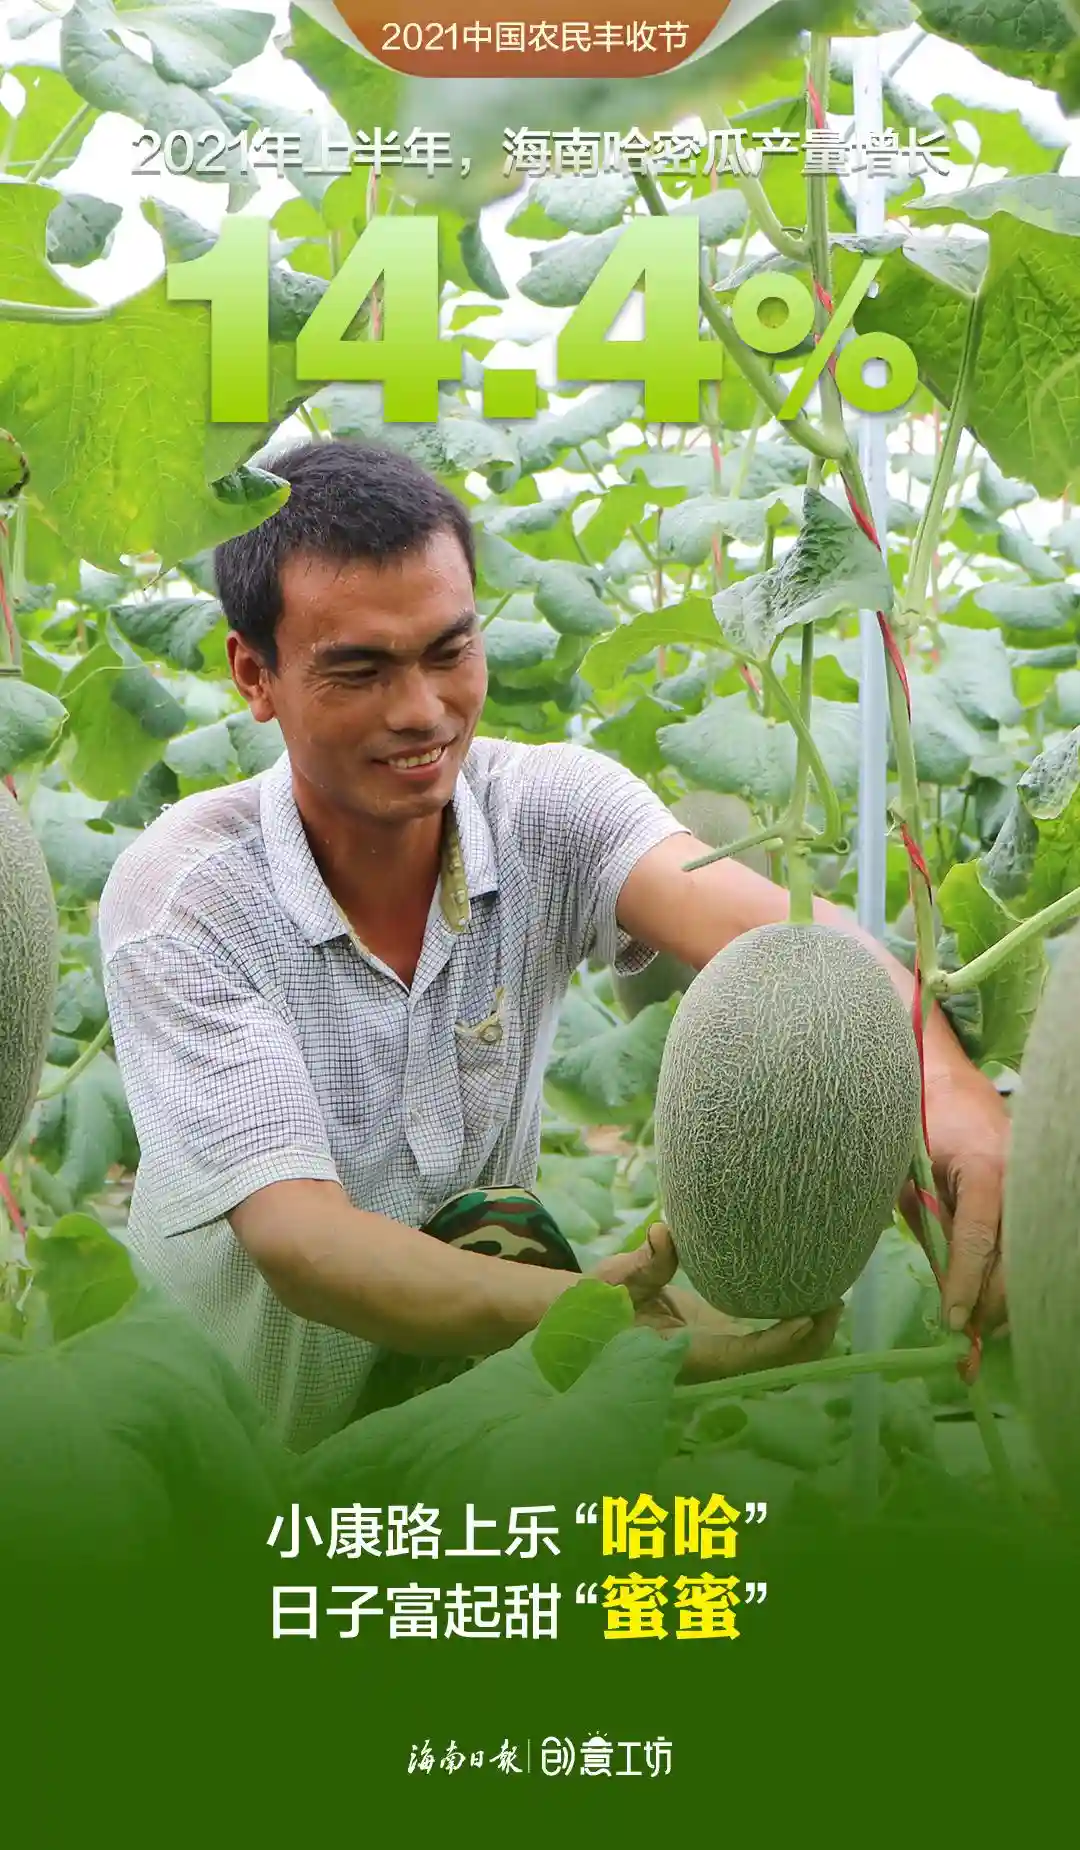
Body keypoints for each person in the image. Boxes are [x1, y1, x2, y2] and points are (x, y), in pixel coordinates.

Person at [97, 440, 1009, 1451]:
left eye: (450, 652)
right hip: (218, 1456)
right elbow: (303, 1241)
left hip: (456, 1422)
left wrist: (951, 1089)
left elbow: (789, 938)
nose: (422, 711)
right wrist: (607, 1324)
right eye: (360, 670)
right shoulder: (186, 896)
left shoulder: (546, 806)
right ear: (253, 674)